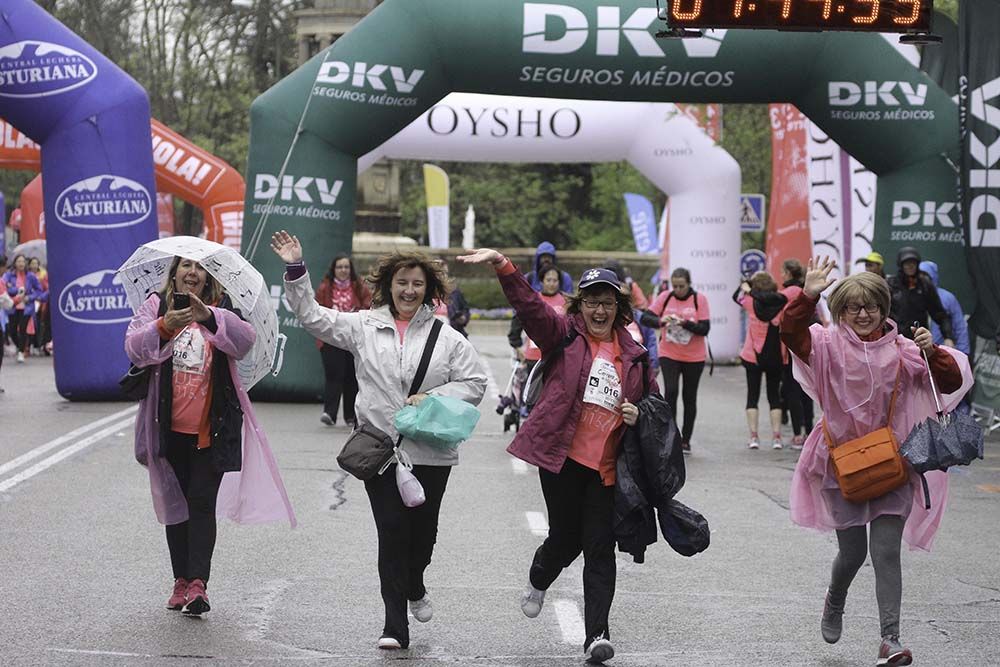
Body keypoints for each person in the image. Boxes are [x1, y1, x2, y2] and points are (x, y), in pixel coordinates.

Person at [272, 231, 487, 651]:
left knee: (422, 535)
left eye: (417, 283)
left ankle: (416, 582)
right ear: (389, 285)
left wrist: (434, 396)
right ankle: (394, 625)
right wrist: (296, 269)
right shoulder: (362, 326)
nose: (409, 290)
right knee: (391, 530)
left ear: (428, 290)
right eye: (402, 282)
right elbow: (312, 316)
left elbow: (475, 382)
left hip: (432, 451)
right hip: (381, 449)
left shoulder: (446, 337)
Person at [459, 248, 657, 665]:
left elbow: (656, 408)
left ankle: (597, 634)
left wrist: (639, 413)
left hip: (607, 468)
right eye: (591, 301)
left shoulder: (636, 357)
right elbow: (529, 307)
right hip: (562, 460)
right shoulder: (563, 335)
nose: (598, 310)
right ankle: (540, 575)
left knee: (599, 547)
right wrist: (504, 267)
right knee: (566, 538)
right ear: (579, 304)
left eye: (607, 302)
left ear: (619, 307)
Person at [781, 256, 971, 667]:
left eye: (871, 306)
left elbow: (951, 382)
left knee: (885, 551)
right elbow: (790, 332)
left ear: (884, 310)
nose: (863, 314)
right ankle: (835, 600)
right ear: (841, 311)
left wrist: (933, 352)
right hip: (840, 463)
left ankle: (891, 639)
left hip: (893, 463)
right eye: (853, 307)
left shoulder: (904, 349)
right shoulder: (826, 345)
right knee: (851, 554)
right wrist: (807, 294)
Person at [125, 255, 296, 617]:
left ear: (209, 277)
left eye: (200, 267)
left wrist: (209, 317)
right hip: (166, 429)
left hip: (211, 429)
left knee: (201, 502)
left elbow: (245, 341)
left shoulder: (222, 309)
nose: (192, 272)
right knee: (177, 505)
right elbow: (134, 348)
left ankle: (198, 584)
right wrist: (162, 326)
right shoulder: (155, 305)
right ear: (174, 273)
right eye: (185, 265)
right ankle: (180, 582)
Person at [642, 267, 710, 455]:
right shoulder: (665, 297)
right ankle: (670, 436)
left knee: (689, 397)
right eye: (675, 286)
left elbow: (705, 328)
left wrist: (685, 323)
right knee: (670, 391)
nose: (678, 289)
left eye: (682, 286)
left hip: (694, 356)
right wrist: (662, 321)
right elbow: (646, 318)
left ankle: (686, 440)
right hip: (670, 353)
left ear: (689, 284)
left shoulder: (699, 299)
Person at [315, 254, 372, 427]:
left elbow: (369, 305)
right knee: (333, 375)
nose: (343, 270)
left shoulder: (359, 286)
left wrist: (357, 314)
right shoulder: (325, 287)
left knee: (352, 377)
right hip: (331, 338)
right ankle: (329, 413)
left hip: (353, 336)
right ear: (334, 269)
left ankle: (350, 416)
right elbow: (317, 309)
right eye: (339, 267)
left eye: (346, 267)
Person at [733, 271, 788, 450]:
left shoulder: (748, 301)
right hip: (775, 356)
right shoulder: (781, 303)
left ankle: (754, 437)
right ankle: (777, 437)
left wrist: (747, 287)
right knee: (774, 396)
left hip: (752, 355)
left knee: (752, 396)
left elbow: (736, 297)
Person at [886, 247, 953, 345]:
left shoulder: (925, 284)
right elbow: (883, 314)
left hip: (919, 340)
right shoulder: (891, 285)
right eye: (907, 263)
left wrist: (948, 337)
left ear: (918, 264)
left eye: (913, 263)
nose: (910, 266)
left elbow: (940, 314)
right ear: (901, 265)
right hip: (894, 341)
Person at [779, 258, 812, 450]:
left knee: (792, 392)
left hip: (789, 348)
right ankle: (808, 430)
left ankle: (797, 434)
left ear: (789, 274)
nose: (781, 275)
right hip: (807, 346)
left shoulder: (785, 294)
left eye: (783, 272)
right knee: (807, 391)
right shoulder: (806, 292)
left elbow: (777, 320)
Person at [918, 260, 969, 356]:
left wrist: (963, 352)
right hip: (919, 351)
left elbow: (960, 325)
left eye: (925, 275)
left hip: (943, 351)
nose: (922, 278)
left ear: (932, 277)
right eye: (919, 275)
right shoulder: (914, 296)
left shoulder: (948, 298)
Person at [2, 254, 43, 364]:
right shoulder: (9, 275)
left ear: (26, 264)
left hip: (27, 307)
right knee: (12, 329)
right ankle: (19, 345)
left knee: (23, 328)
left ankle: (21, 352)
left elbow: (39, 290)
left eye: (23, 261)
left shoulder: (31, 276)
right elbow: (4, 287)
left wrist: (29, 297)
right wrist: (16, 290)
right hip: (13, 306)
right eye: (19, 261)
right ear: (15, 263)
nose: (21, 263)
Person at [26, 257, 49, 355]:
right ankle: (28, 345)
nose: (34, 265)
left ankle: (38, 345)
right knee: (28, 324)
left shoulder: (43, 275)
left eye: (36, 263)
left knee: (38, 324)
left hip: (40, 303)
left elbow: (45, 289)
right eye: (32, 263)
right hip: (29, 302)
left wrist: (40, 297)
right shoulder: (26, 275)